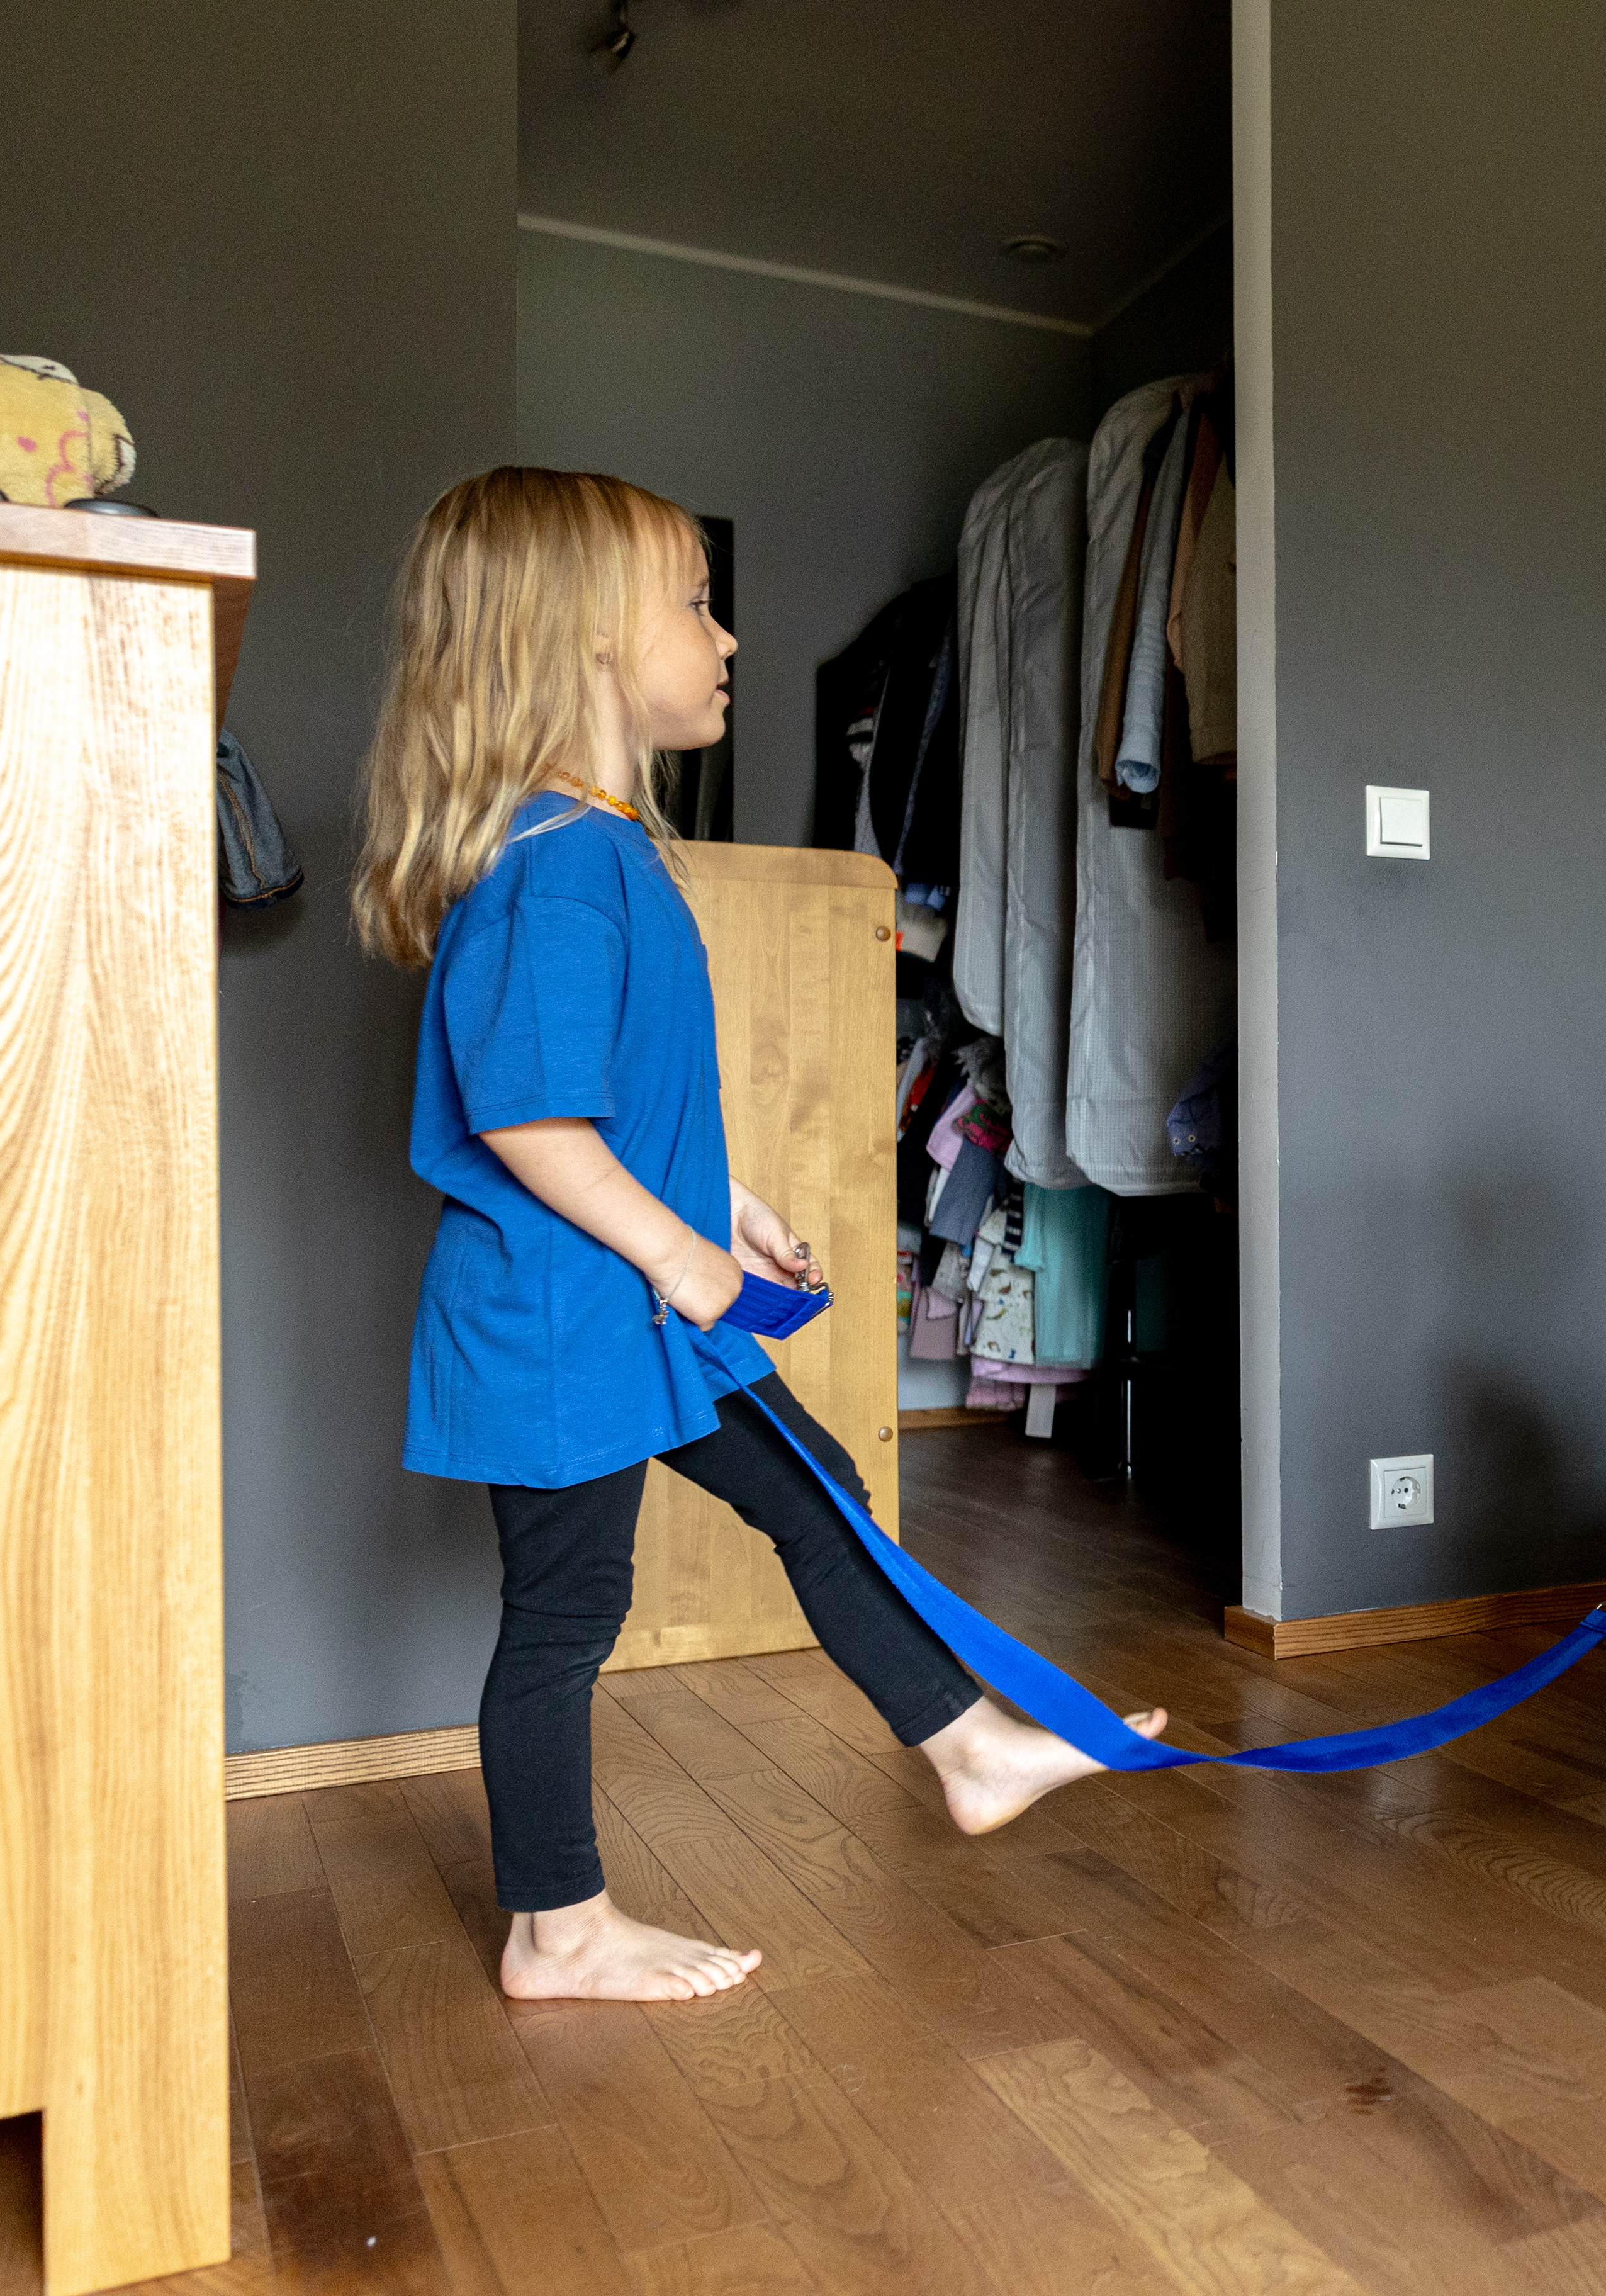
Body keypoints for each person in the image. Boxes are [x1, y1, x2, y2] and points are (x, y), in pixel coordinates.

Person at [352, 468, 1160, 2004]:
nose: (726, 639)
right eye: (694, 603)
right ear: (581, 638)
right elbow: (528, 1124)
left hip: (639, 1304)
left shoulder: (603, 850)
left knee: (822, 1493)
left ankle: (969, 1744)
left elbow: (599, 1096)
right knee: (568, 1613)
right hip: (565, 1317)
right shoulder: (557, 863)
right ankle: (557, 1930)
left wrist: (718, 1206)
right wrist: (681, 1256)